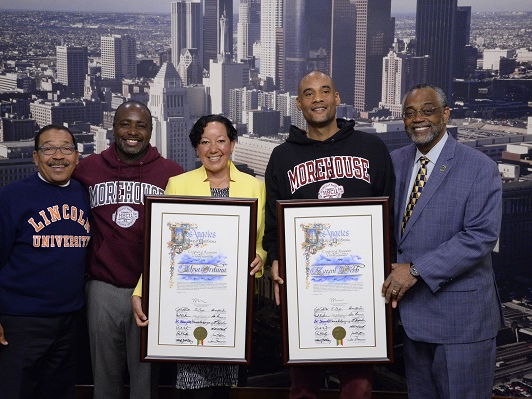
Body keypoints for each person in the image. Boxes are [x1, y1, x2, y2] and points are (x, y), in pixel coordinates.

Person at [263, 71, 395, 399]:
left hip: (360, 288)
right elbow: (273, 225)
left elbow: (388, 216)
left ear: (337, 98)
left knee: (359, 387)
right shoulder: (282, 157)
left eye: (325, 91)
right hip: (307, 289)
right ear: (299, 104)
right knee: (303, 387)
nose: (318, 98)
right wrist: (276, 257)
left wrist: (389, 266)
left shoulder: (372, 147)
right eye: (309, 93)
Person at [132, 114, 266, 399]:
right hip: (188, 301)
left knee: (225, 389)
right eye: (205, 142)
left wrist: (260, 257)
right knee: (195, 389)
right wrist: (141, 291)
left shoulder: (255, 188)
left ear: (232, 144)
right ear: (196, 148)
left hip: (231, 305)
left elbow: (260, 241)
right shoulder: (178, 184)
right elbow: (161, 247)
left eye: (221, 141)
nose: (213, 148)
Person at [381, 83, 503, 399]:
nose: (418, 118)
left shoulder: (480, 167)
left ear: (446, 115)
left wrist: (417, 270)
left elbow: (480, 237)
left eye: (427, 110)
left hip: (462, 321)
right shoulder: (394, 162)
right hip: (412, 320)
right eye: (409, 113)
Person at [0, 124, 91, 399]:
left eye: (66, 148)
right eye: (49, 149)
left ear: (77, 157)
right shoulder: (10, 198)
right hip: (20, 324)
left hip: (69, 323)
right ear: (36, 157)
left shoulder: (84, 195)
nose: (58, 156)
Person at [72, 101, 184, 399]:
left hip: (149, 288)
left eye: (141, 125)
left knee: (145, 383)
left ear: (151, 130)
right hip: (102, 287)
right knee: (104, 380)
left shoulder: (172, 173)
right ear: (113, 127)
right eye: (125, 123)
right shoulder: (88, 168)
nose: (132, 131)